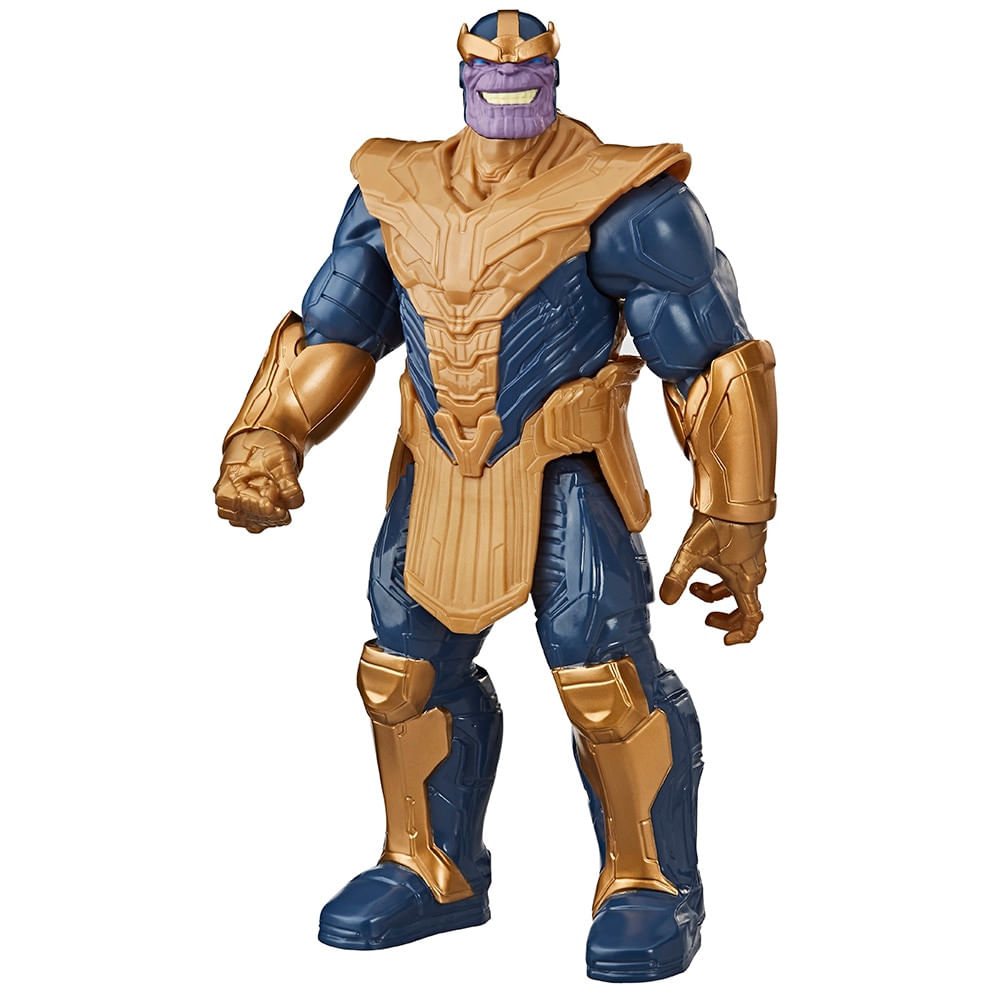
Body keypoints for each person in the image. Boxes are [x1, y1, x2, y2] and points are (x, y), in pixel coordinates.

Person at [214, 10, 777, 983]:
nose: (509, 77)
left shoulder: (626, 196)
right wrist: (269, 432)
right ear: (463, 73)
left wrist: (734, 511)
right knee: (400, 671)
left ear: (553, 72)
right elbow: (337, 329)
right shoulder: (393, 190)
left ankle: (649, 881)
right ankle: (428, 868)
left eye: (529, 64)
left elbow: (709, 359)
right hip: (437, 466)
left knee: (602, 674)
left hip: (563, 467)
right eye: (491, 65)